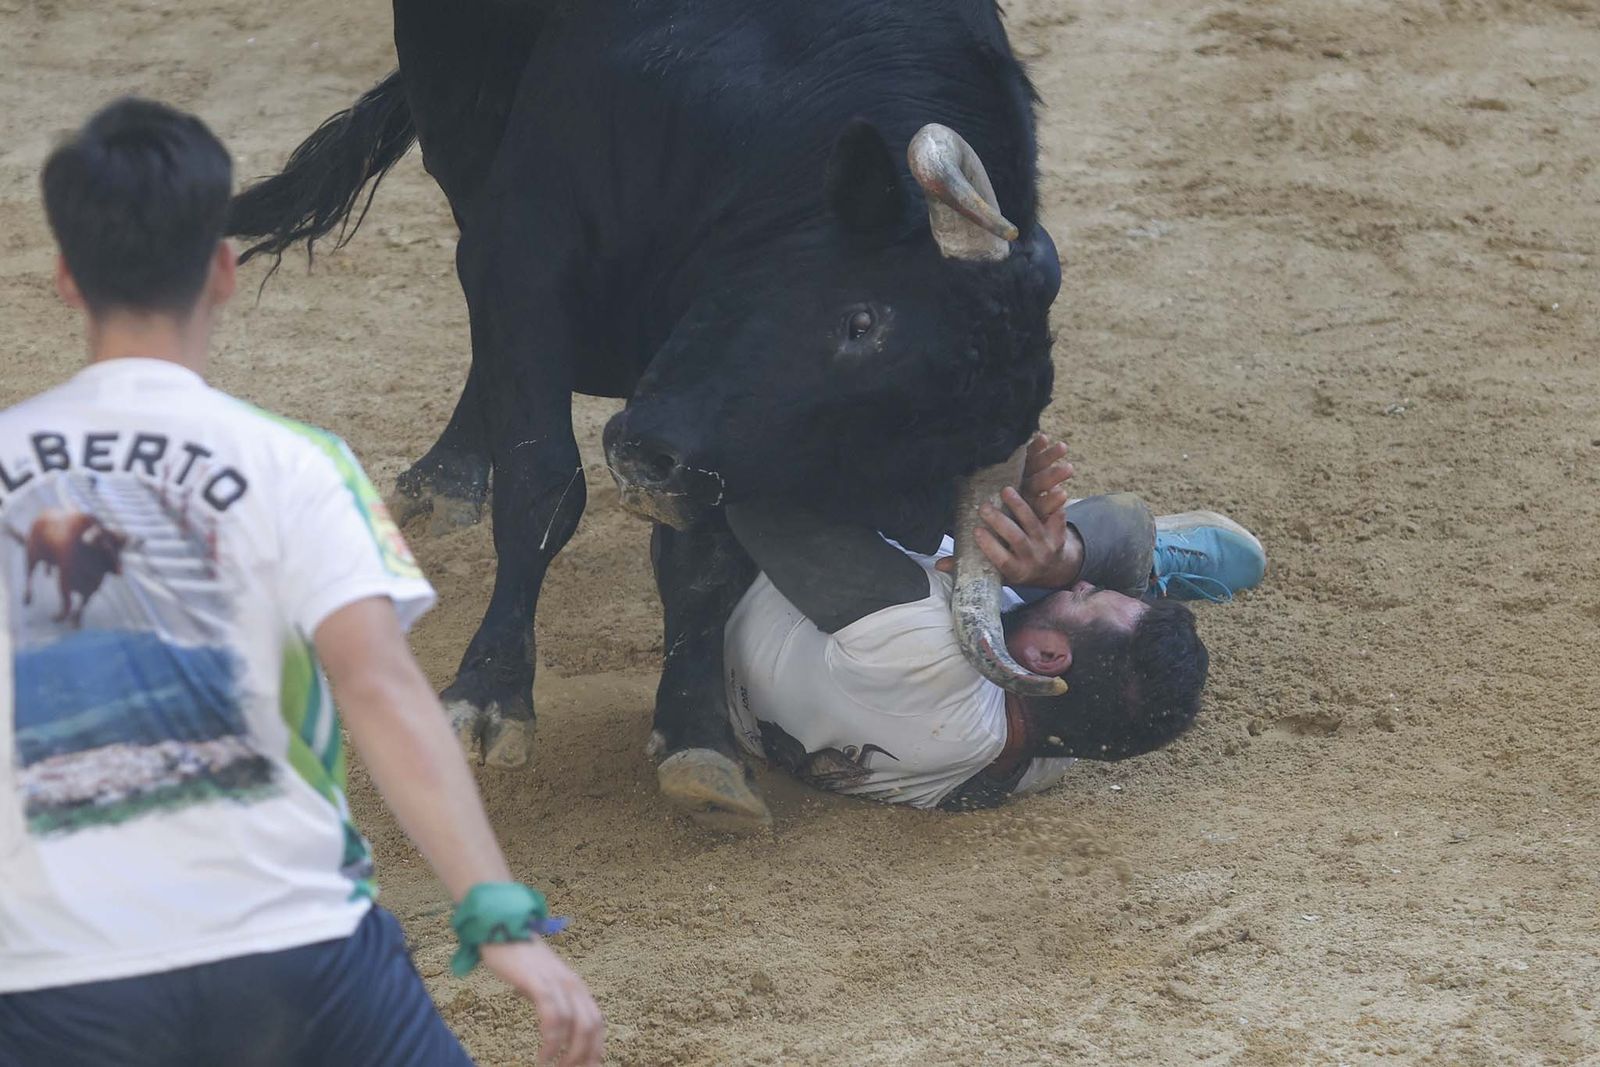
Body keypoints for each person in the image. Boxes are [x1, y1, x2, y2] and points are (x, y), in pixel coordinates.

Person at [0, 99, 602, 1067]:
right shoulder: (298, 463)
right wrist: (497, 913)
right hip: (291, 945)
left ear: (67, 279)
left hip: (53, 968)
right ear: (224, 269)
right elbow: (382, 688)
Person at [722, 434, 1267, 810]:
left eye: (1085, 598)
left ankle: (1132, 560)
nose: (1080, 588)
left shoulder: (921, 653)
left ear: (1047, 657)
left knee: (1114, 537)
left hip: (742, 570)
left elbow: (760, 498)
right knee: (1084, 569)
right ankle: (1128, 570)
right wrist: (1051, 566)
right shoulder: (1035, 760)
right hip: (771, 706)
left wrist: (965, 503)